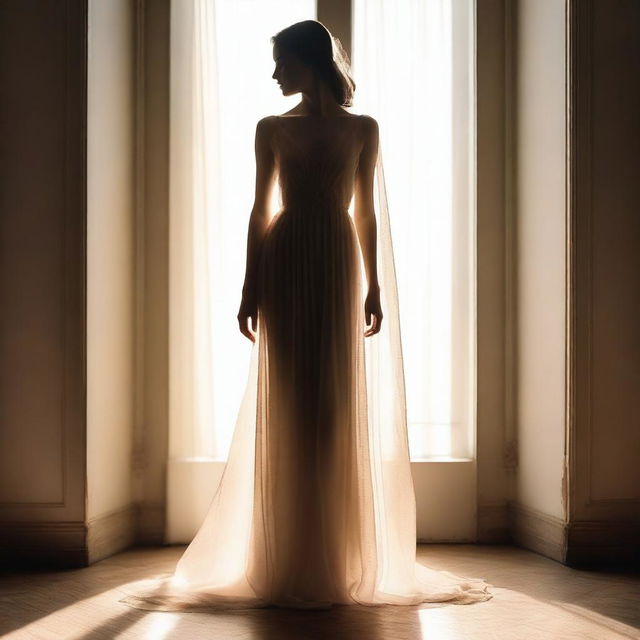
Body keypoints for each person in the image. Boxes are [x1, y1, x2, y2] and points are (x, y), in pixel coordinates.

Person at [118, 19, 493, 612]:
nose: (274, 75)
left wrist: (373, 286)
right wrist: (249, 288)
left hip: (339, 260)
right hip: (287, 258)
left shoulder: (363, 129)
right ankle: (283, 552)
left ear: (307, 63)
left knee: (335, 403)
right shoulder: (271, 129)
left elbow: (365, 212)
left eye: (281, 63)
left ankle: (338, 553)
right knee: (290, 399)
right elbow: (259, 212)